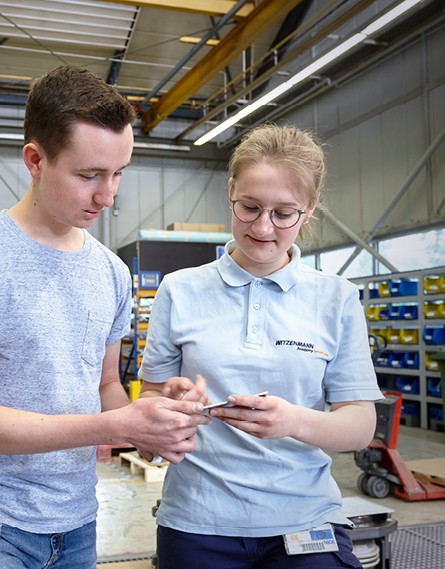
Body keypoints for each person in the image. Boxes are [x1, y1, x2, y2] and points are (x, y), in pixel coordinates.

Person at [0, 65, 210, 569]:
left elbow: (105, 392)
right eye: (88, 175)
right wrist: (116, 422)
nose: (108, 195)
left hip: (75, 521)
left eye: (118, 172)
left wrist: (155, 421)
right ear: (35, 160)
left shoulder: (113, 274)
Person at [138, 123, 383, 569]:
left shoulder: (337, 298)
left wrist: (291, 420)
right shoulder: (179, 290)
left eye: (284, 213)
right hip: (198, 520)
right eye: (249, 207)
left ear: (308, 210)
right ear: (231, 191)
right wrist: (166, 410)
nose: (263, 227)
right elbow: (149, 409)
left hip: (304, 516)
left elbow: (360, 426)